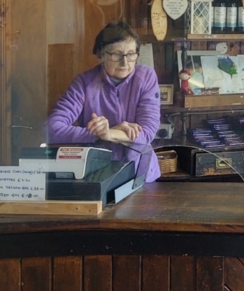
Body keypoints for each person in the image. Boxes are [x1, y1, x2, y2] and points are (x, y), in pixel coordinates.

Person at [45, 21, 161, 182]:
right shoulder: (84, 83)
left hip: (139, 173)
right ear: (100, 55)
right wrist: (96, 135)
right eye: (116, 55)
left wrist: (109, 133)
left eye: (131, 54)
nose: (125, 63)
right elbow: (51, 130)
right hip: (97, 174)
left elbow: (147, 132)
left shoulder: (146, 77)